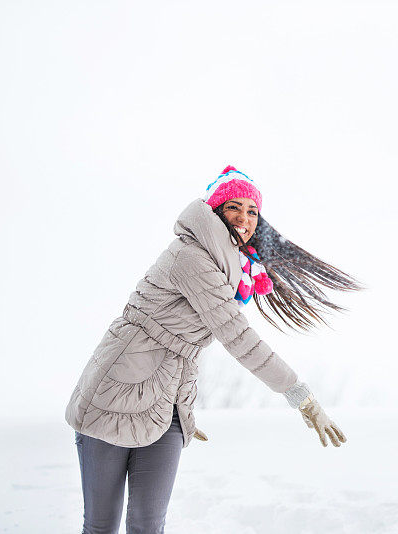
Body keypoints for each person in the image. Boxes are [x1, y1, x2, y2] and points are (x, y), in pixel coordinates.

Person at [65, 166, 359, 534]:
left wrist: (177, 401)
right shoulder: (191, 257)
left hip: (168, 407)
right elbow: (238, 337)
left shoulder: (229, 268)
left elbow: (184, 343)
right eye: (234, 206)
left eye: (252, 211)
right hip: (114, 394)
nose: (244, 218)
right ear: (215, 210)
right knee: (101, 526)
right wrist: (301, 395)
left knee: (147, 525)